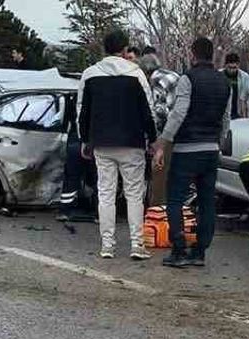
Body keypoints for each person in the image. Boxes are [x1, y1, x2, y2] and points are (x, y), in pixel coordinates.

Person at [79, 29, 157, 260]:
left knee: (105, 194)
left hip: (102, 143)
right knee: (134, 194)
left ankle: (107, 246)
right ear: (125, 50)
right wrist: (152, 139)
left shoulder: (90, 74)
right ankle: (136, 244)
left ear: (104, 48)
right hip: (132, 143)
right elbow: (148, 111)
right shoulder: (136, 73)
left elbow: (82, 111)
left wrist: (85, 139)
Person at [153, 36, 231, 268]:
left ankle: (178, 250)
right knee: (207, 202)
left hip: (187, 149)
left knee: (175, 198)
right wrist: (219, 142)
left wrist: (163, 142)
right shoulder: (224, 81)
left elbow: (179, 113)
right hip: (210, 150)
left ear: (192, 55)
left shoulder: (188, 79)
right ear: (212, 56)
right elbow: (226, 118)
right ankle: (199, 252)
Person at [138, 52, 180, 205]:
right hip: (182, 132)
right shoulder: (173, 75)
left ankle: (157, 215)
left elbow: (160, 111)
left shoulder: (156, 80)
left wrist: (154, 140)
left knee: (159, 176)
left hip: (168, 134)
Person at [59, 92, 97, 223]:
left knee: (71, 177)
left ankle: (65, 210)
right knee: (98, 178)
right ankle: (97, 211)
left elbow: (66, 121)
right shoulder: (99, 97)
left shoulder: (73, 98)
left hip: (76, 139)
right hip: (94, 141)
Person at [222, 52, 249, 119]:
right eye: (229, 67)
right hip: (223, 112)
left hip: (238, 112)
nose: (232, 70)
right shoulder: (219, 75)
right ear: (225, 65)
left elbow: (246, 96)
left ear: (238, 65)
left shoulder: (244, 77)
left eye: (234, 68)